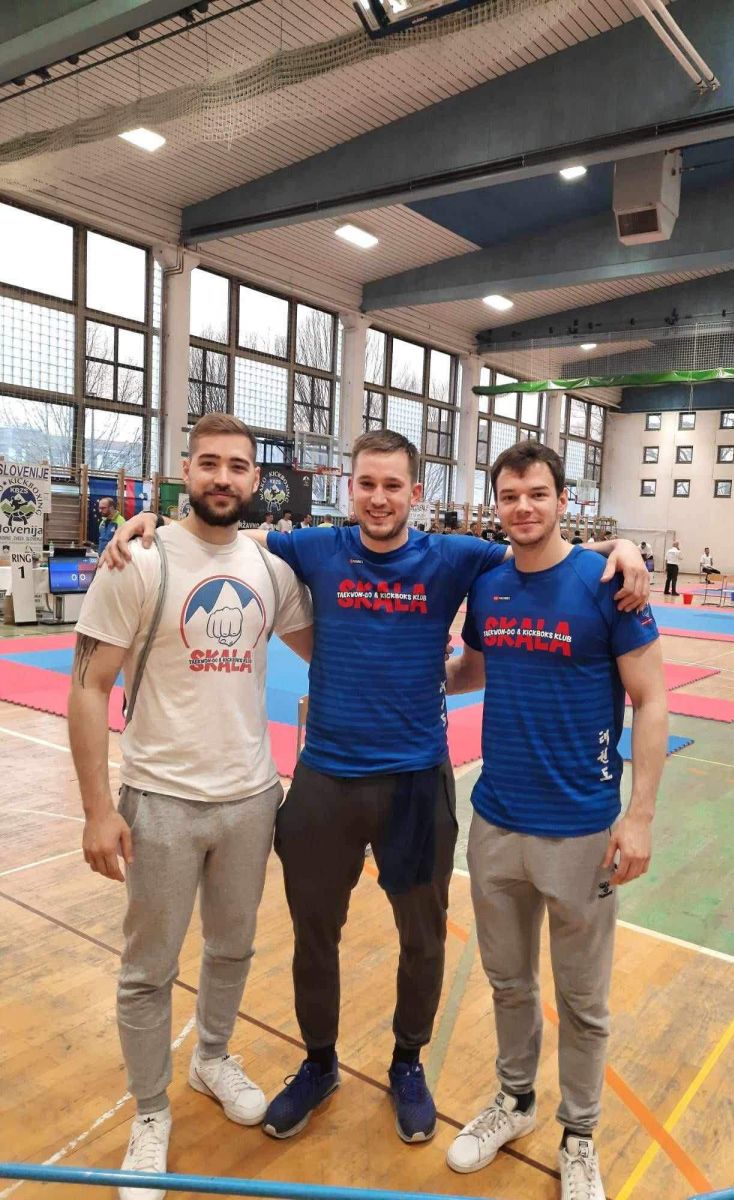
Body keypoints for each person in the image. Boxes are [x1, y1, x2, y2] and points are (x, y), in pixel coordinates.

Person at [104, 431, 650, 1151]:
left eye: (394, 485)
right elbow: (227, 533)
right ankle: (319, 1062)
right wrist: (149, 524)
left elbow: (541, 549)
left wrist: (621, 547)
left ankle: (407, 1063)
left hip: (416, 784)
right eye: (367, 484)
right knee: (313, 936)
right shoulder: (316, 548)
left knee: (422, 938)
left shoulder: (457, 557)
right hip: (325, 780)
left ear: (416, 493)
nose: (380, 498)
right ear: (349, 488)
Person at [70, 415, 313, 1200]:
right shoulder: (139, 560)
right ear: (185, 470)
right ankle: (149, 1111)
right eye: (209, 463)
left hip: (251, 797)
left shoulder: (270, 567)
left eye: (237, 466)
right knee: (149, 969)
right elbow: (87, 687)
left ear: (255, 480)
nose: (223, 477)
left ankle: (211, 1057)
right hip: (161, 800)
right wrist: (97, 809)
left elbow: (333, 646)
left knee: (233, 949)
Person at [445, 442, 667, 1200]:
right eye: (510, 496)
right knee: (508, 982)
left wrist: (639, 817)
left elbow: (652, 699)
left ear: (563, 499)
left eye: (537, 493)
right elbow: (476, 667)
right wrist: (418, 674)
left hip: (581, 830)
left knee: (582, 1002)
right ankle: (514, 1101)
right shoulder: (490, 583)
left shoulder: (607, 584)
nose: (523, 508)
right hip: (496, 822)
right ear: (496, 504)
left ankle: (579, 1135)